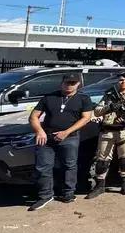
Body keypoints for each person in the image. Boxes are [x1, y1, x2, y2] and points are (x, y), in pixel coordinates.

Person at [27, 74, 94, 211]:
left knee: (69, 165)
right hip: (46, 137)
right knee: (43, 167)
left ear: (78, 84)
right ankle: (45, 195)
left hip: (70, 137)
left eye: (73, 83)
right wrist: (39, 131)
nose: (69, 85)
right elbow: (33, 116)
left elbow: (86, 118)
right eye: (67, 82)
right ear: (61, 83)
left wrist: (66, 132)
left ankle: (68, 193)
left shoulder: (83, 99)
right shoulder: (49, 97)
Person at [87, 73, 125, 199]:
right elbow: (97, 111)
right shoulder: (109, 95)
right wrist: (109, 108)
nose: (123, 82)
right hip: (108, 131)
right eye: (121, 80)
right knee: (102, 160)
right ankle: (100, 186)